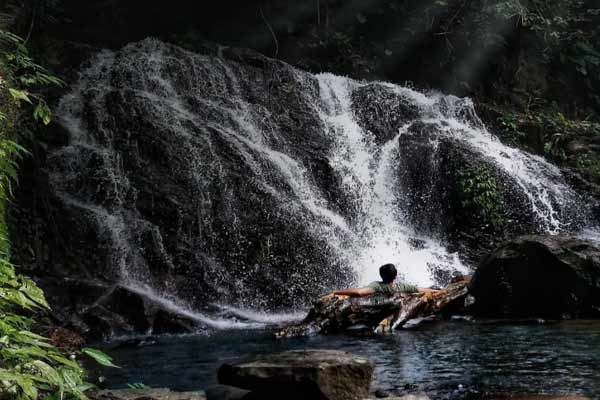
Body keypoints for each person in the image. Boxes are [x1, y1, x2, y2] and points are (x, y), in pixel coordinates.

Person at [321, 263, 439, 299]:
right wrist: (437, 291)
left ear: (381, 275)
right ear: (395, 276)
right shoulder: (401, 286)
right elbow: (420, 289)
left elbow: (358, 293)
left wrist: (336, 292)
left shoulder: (377, 286)